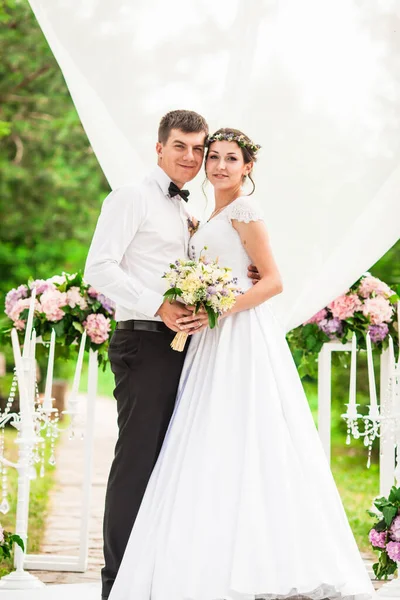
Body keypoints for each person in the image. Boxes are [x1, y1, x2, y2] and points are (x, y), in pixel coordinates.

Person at [108, 128, 376, 600]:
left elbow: (272, 281)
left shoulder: (246, 210)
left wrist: (218, 309)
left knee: (245, 430)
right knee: (206, 435)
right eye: (213, 156)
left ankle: (257, 557)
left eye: (231, 159)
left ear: (248, 167)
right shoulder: (199, 212)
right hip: (204, 340)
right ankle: (206, 554)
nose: (218, 165)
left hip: (236, 333)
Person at [84, 112, 259, 600]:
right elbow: (98, 266)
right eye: (179, 146)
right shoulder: (132, 197)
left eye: (197, 149)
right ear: (158, 148)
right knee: (137, 463)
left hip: (188, 348)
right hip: (143, 342)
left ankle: (158, 576)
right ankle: (117, 585)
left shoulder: (186, 211)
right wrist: (155, 305)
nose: (190, 157)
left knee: (176, 463)